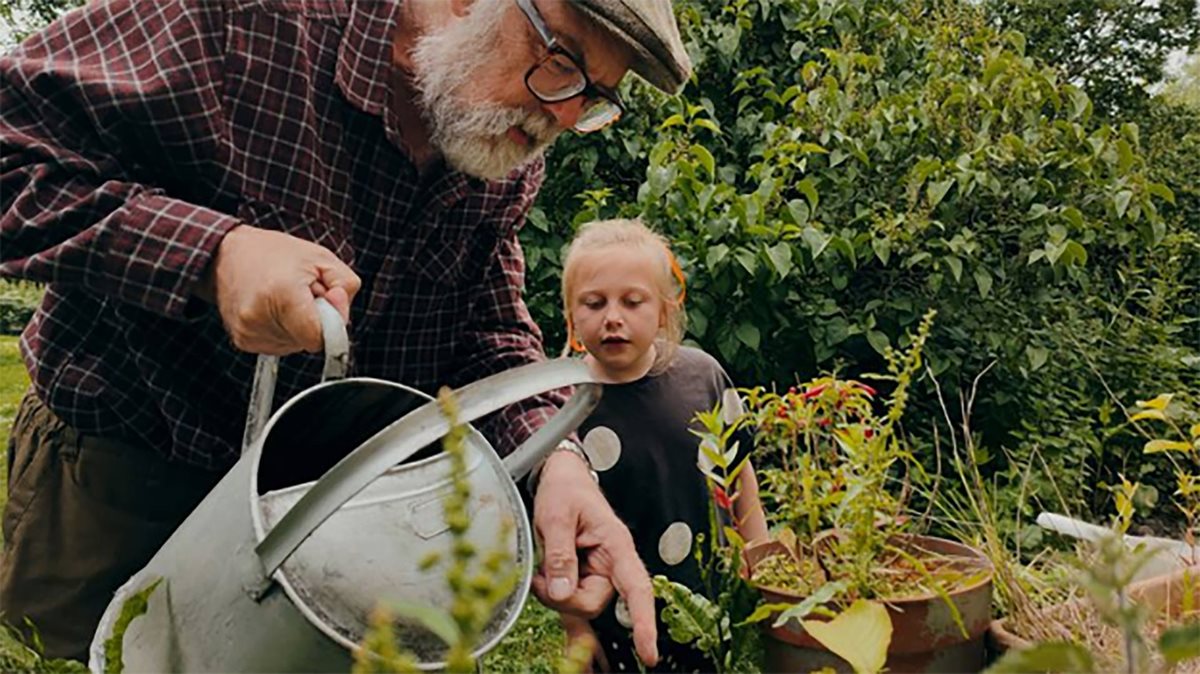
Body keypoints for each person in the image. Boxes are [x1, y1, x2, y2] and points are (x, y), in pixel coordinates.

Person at [0, 0, 693, 663]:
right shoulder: (242, 22)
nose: (564, 114)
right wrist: (215, 255)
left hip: (330, 520)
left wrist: (556, 462)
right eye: (562, 59)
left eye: (594, 96)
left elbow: (484, 327)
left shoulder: (500, 147)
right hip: (120, 483)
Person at [554, 219, 768, 672]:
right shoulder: (562, 403)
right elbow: (558, 532)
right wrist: (575, 626)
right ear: (572, 316)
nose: (613, 316)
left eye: (633, 302)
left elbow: (740, 472)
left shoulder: (702, 377)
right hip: (614, 618)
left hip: (711, 603)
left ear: (665, 312)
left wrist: (759, 556)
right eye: (594, 303)